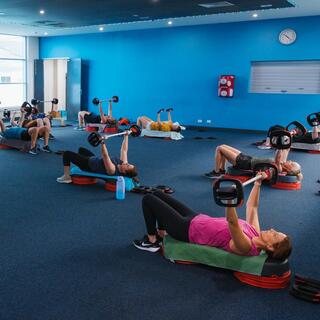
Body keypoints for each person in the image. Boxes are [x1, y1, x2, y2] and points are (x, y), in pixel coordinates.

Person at [133, 173, 292, 261]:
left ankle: (152, 241)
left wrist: (230, 199)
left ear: (271, 247)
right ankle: (161, 233)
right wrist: (257, 184)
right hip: (196, 218)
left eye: (275, 235)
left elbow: (233, 223)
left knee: (149, 199)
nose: (272, 229)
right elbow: (253, 207)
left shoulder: (246, 247)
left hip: (186, 230)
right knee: (158, 193)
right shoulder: (256, 232)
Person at [56, 131, 138, 183]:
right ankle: (77, 160)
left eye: (127, 166)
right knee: (81, 149)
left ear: (124, 172)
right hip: (95, 160)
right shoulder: (123, 163)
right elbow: (124, 150)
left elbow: (105, 156)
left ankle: (67, 177)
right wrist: (126, 136)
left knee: (67, 154)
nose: (126, 163)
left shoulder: (112, 170)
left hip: (88, 165)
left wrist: (102, 142)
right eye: (129, 164)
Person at [204, 144, 303, 180]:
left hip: (244, 163)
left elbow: (278, 156)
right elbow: (287, 148)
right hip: (247, 158)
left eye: (291, 163)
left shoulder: (279, 168)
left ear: (289, 168)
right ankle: (222, 169)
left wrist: (280, 146)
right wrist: (287, 139)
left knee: (220, 148)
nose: (290, 160)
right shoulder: (283, 162)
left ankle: (217, 172)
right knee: (223, 145)